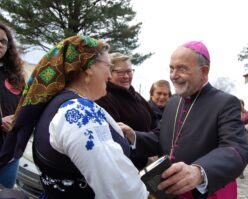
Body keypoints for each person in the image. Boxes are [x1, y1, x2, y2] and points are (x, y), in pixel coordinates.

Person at [0, 35, 148, 198]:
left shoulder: (57, 103)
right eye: (108, 65)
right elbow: (122, 191)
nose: (109, 74)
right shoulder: (78, 112)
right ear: (89, 67)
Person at [121, 41, 248, 198]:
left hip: (206, 193)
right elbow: (160, 137)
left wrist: (199, 171)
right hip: (170, 191)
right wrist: (134, 136)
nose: (173, 75)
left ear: (203, 71)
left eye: (181, 69)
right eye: (171, 68)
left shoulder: (225, 103)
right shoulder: (174, 102)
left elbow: (236, 149)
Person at [96, 52, 157, 170]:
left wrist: (155, 147)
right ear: (109, 73)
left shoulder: (137, 96)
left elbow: (155, 123)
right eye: (120, 72)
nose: (126, 76)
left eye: (129, 71)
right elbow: (116, 138)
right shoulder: (104, 98)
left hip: (151, 158)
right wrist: (145, 159)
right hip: (129, 167)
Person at [0, 23, 25, 188]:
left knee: (7, 193)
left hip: (9, 154)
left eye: (3, 41)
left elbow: (25, 109)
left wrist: (18, 123)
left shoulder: (14, 77)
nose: (0, 45)